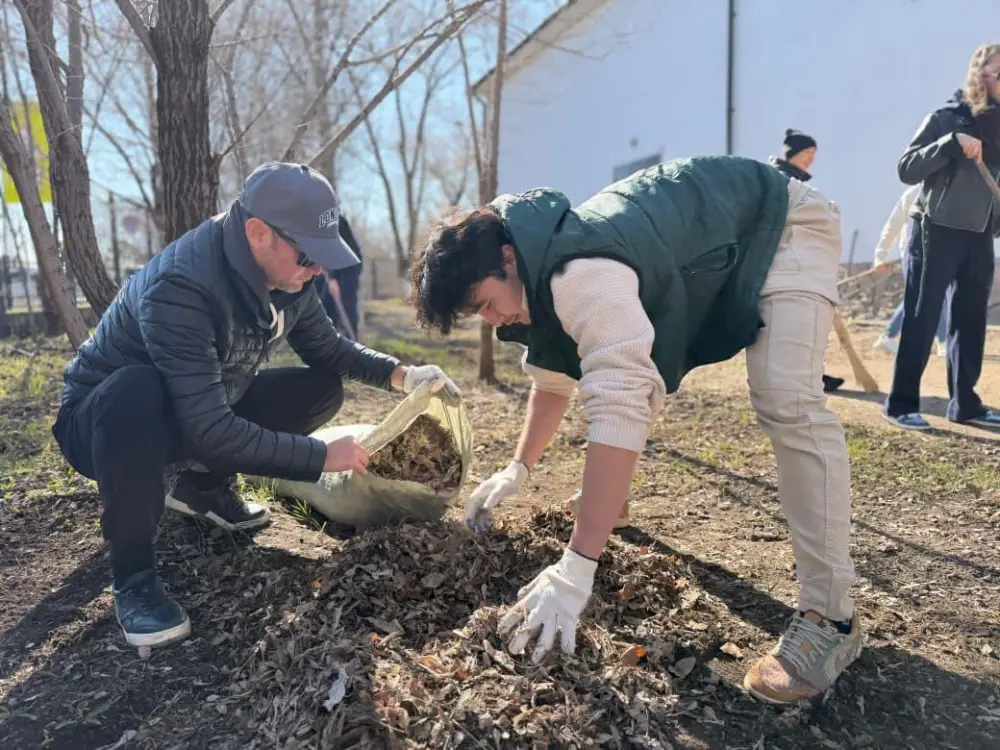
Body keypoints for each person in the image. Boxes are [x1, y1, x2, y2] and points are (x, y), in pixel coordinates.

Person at [412, 154, 862, 704]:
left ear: (508, 257)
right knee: (626, 384)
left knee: (785, 397)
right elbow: (553, 381)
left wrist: (577, 567)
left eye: (485, 303)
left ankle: (830, 617)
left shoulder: (580, 274)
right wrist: (517, 468)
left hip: (780, 223)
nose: (491, 320)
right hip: (724, 242)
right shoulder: (534, 272)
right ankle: (611, 505)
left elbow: (621, 402)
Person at [51, 162, 460, 649]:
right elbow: (208, 428)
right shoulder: (181, 288)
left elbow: (329, 350)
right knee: (135, 389)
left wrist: (403, 375)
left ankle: (201, 488)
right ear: (258, 233)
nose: (317, 269)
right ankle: (134, 579)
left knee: (322, 388)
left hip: (191, 407)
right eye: (309, 255)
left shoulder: (290, 280)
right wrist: (320, 458)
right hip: (102, 423)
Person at [884, 44, 1000, 431]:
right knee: (921, 317)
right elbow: (906, 168)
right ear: (978, 75)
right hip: (934, 230)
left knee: (970, 322)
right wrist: (949, 144)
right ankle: (901, 405)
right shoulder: (946, 117)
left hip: (980, 234)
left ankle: (965, 404)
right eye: (999, 73)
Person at [768, 128, 844, 393]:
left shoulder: (793, 180)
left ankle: (813, 375)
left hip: (797, 261)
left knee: (804, 323)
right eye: (807, 153)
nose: (811, 159)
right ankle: (804, 377)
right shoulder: (779, 179)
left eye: (814, 154)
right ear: (794, 153)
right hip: (782, 263)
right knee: (792, 324)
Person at [871, 184, 948, 357]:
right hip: (914, 253)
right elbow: (893, 225)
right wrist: (880, 256)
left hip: (938, 253)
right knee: (927, 294)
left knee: (929, 294)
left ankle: (890, 336)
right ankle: (941, 340)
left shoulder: (949, 190)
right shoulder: (913, 194)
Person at [314, 214, 364, 339]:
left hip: (347, 269)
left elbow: (334, 250)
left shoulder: (332, 219)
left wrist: (333, 278)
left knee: (346, 308)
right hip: (331, 269)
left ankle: (352, 343)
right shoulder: (314, 222)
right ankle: (332, 344)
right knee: (325, 307)